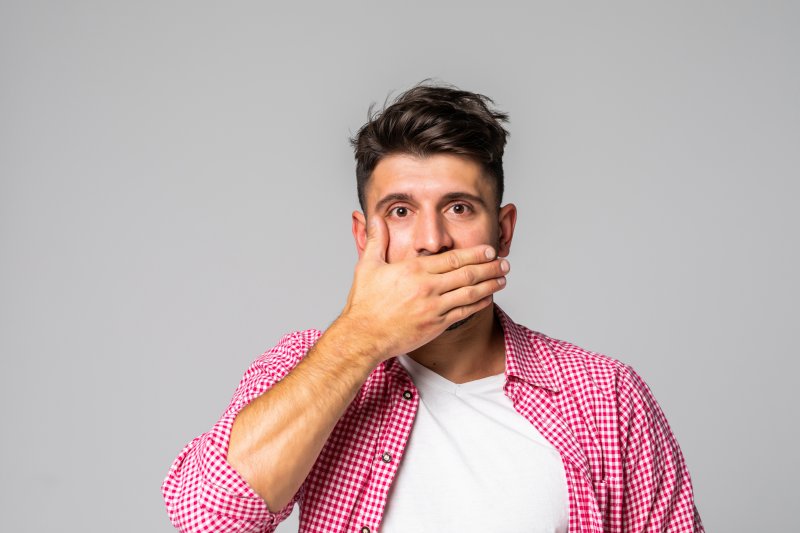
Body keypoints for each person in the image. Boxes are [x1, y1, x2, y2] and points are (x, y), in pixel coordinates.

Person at [162, 82, 704, 533]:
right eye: (400, 210)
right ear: (362, 236)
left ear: (504, 230)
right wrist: (360, 340)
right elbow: (206, 519)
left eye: (460, 208)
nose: (431, 241)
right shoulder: (308, 366)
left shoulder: (604, 398)